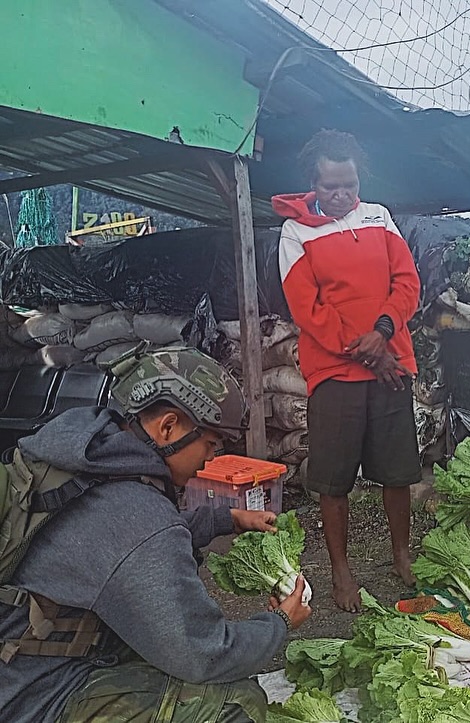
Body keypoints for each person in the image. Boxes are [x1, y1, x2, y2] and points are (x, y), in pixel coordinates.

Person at [0, 347, 312, 723]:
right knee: (233, 702)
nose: (210, 459)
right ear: (168, 427)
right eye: (211, 444)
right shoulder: (137, 516)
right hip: (35, 697)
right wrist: (279, 625)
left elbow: (114, 540)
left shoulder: (84, 454)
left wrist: (225, 518)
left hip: (17, 660)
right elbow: (204, 654)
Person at [274, 129, 421, 613]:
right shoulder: (296, 232)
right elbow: (308, 309)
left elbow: (406, 282)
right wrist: (370, 352)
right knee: (334, 480)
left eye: (349, 185)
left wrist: (383, 332)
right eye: (330, 186)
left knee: (397, 471)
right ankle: (341, 570)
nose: (341, 195)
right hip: (337, 374)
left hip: (391, 364)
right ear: (312, 183)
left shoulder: (379, 217)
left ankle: (401, 554)